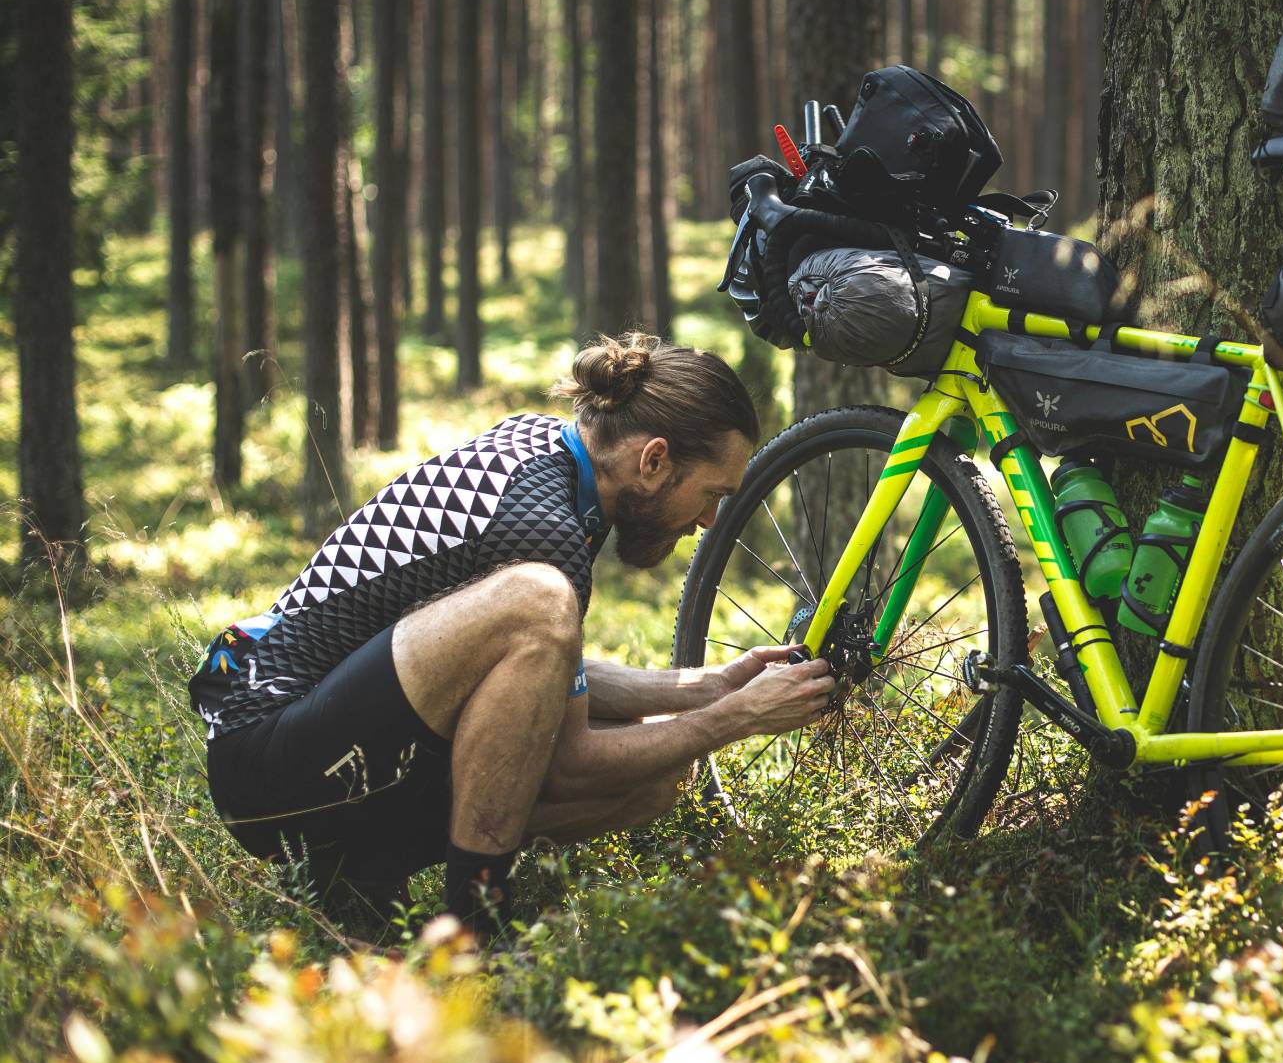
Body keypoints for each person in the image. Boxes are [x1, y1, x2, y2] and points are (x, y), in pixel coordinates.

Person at [188, 333, 834, 933]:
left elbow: (539, 677)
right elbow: (572, 763)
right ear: (655, 460)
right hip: (267, 762)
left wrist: (710, 688)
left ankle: (358, 874)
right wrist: (734, 720)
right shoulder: (544, 534)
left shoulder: (554, 462)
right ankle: (477, 929)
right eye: (712, 493)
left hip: (327, 744)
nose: (710, 520)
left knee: (655, 777)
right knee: (543, 603)